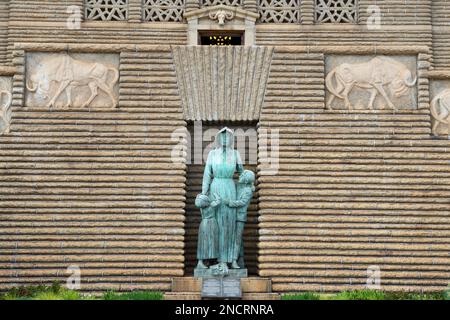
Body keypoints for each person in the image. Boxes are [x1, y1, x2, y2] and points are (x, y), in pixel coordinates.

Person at [201, 127, 243, 268]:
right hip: (216, 187)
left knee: (229, 224)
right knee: (216, 224)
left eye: (228, 137)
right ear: (218, 139)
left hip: (230, 188)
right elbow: (207, 174)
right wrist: (204, 193)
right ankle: (215, 259)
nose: (225, 139)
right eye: (222, 137)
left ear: (232, 139)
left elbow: (242, 174)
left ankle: (229, 259)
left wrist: (248, 187)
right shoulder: (212, 154)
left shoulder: (236, 154)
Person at [226, 170, 255, 269]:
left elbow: (242, 202)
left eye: (242, 175)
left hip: (240, 217)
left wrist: (230, 203)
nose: (240, 175)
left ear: (246, 181)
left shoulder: (248, 191)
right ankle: (240, 259)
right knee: (237, 239)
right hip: (233, 215)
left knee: (237, 240)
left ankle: (234, 261)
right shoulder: (239, 185)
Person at [195, 193, 220, 269]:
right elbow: (218, 201)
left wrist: (198, 196)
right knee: (211, 243)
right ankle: (213, 260)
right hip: (211, 224)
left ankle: (201, 261)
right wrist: (216, 194)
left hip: (204, 224)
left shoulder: (201, 207)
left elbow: (197, 201)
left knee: (203, 244)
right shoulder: (211, 205)